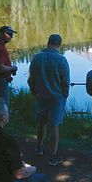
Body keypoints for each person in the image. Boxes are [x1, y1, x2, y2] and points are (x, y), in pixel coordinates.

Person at [28, 33, 70, 166]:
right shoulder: (61, 60)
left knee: (41, 124)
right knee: (54, 126)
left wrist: (35, 91)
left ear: (48, 42)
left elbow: (30, 79)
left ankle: (39, 147)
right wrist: (65, 95)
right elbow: (65, 81)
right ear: (59, 44)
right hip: (56, 98)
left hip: (41, 96)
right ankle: (53, 155)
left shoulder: (36, 58)